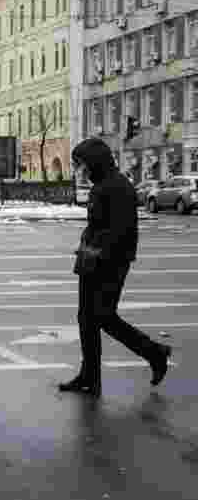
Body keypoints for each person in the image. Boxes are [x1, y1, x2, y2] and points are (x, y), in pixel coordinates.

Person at [59, 138, 172, 396]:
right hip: (92, 260)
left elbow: (120, 231)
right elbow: (98, 225)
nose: (82, 169)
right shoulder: (102, 185)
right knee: (87, 320)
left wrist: (96, 249)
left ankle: (155, 353)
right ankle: (89, 377)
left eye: (84, 163)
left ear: (95, 161)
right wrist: (87, 247)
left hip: (110, 264)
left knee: (103, 317)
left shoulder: (118, 186)